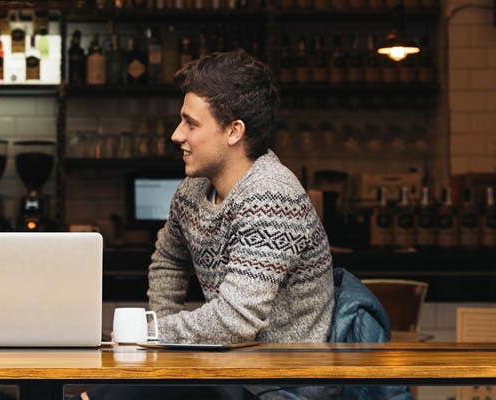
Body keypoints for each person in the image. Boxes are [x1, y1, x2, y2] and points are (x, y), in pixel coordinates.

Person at [82, 51, 335, 400]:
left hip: (280, 383)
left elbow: (235, 320)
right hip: (230, 368)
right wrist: (159, 347)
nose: (176, 135)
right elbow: (169, 259)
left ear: (234, 131)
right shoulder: (193, 189)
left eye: (191, 123)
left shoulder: (273, 197)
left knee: (110, 397)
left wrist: (152, 333)